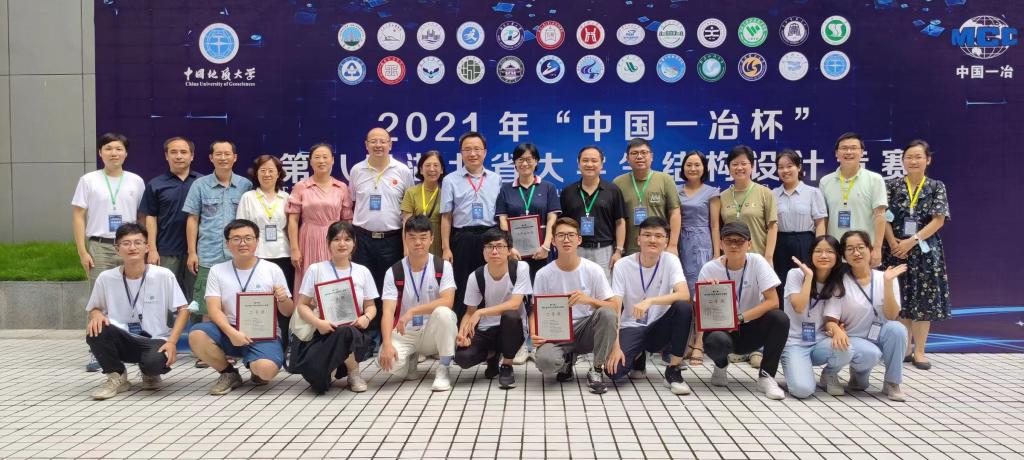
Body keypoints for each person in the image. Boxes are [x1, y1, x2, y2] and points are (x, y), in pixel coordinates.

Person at [84, 223, 190, 400]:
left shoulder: (163, 275)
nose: (132, 247)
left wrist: (172, 341)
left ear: (147, 247)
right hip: (122, 338)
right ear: (117, 249)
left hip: (154, 339)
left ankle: (149, 373)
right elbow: (94, 308)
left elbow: (183, 309)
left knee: (153, 363)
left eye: (138, 242)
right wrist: (96, 315)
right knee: (96, 330)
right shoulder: (106, 278)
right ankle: (117, 376)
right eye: (126, 243)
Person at [188, 219, 294, 395]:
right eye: (236, 239)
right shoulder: (217, 270)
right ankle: (229, 373)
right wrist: (232, 333)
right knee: (197, 335)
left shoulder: (272, 269)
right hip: (228, 329)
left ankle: (256, 365)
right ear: (228, 243)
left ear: (257, 241)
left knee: (265, 371)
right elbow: (213, 309)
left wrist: (283, 299)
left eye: (248, 238)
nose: (242, 243)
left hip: (264, 332)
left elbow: (288, 311)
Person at [72, 133, 146, 372]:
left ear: (126, 153)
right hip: (100, 245)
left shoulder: (136, 181)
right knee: (99, 297)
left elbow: (142, 217)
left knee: (133, 295)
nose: (114, 153)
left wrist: (144, 247)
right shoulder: (88, 180)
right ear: (100, 152)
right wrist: (83, 251)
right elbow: (78, 216)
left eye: (118, 148)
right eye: (108, 148)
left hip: (131, 247)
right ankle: (98, 350)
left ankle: (135, 345)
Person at [698, 222, 788, 400]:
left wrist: (739, 318)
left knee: (780, 319)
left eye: (739, 241)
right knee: (716, 340)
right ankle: (720, 366)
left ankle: (766, 377)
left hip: (751, 328)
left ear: (749, 244)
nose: (734, 245)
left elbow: (773, 302)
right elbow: (700, 312)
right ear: (721, 243)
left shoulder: (758, 262)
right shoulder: (710, 269)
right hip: (722, 329)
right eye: (729, 241)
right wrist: (708, 293)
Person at [882, 140, 951, 370]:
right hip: (894, 249)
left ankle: (920, 351)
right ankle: (904, 348)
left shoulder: (936, 186)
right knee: (900, 297)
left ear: (928, 160)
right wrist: (892, 242)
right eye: (909, 157)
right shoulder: (891, 185)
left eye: (918, 157)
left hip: (924, 250)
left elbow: (938, 220)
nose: (913, 161)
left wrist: (912, 241)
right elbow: (883, 216)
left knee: (923, 300)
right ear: (902, 160)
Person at [606, 217, 693, 395]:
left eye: (658, 236)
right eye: (647, 235)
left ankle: (673, 370)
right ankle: (638, 357)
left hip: (659, 328)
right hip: (631, 325)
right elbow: (615, 307)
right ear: (638, 239)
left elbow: (684, 294)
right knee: (613, 372)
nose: (652, 240)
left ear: (666, 241)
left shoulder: (671, 260)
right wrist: (616, 347)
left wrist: (651, 300)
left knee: (683, 308)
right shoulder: (622, 265)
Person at [532, 217, 618, 394]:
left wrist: (589, 300)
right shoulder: (543, 274)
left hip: (586, 330)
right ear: (553, 241)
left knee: (607, 314)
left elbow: (614, 307)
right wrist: (534, 334)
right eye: (561, 235)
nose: (566, 239)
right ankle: (566, 361)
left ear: (579, 239)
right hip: (557, 333)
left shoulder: (593, 270)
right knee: (545, 362)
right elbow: (535, 310)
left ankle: (596, 369)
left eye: (571, 235)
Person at [290, 221, 378, 394]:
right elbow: (302, 306)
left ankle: (353, 372)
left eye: (347, 239)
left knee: (347, 332)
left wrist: (366, 318)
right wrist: (318, 323)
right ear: (328, 242)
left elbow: (371, 306)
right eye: (336, 239)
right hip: (322, 333)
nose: (342, 244)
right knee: (319, 386)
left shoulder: (362, 271)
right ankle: (332, 369)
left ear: (354, 243)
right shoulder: (316, 269)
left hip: (354, 330)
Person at [182, 141, 253, 349]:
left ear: (235, 158)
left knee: (236, 303)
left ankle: (236, 346)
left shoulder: (245, 185)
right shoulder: (200, 185)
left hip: (238, 256)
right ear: (211, 158)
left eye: (227, 154)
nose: (223, 158)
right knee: (207, 306)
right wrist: (192, 252)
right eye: (218, 154)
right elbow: (193, 219)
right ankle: (209, 349)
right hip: (208, 254)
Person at [823, 231, 908, 401]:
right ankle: (858, 373)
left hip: (880, 336)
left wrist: (888, 284)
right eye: (850, 249)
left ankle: (892, 382)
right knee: (869, 360)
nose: (856, 253)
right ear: (844, 255)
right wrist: (836, 330)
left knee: (897, 329)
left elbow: (892, 315)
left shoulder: (886, 277)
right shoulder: (840, 282)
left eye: (861, 247)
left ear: (870, 249)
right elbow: (830, 320)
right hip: (854, 339)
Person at [350, 128, 416, 346]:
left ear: (390, 144)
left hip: (392, 239)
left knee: (391, 288)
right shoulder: (357, 170)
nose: (378, 145)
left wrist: (406, 243)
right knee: (364, 288)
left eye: (383, 141)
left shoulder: (402, 171)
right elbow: (353, 201)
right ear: (366, 144)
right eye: (373, 141)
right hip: (362, 239)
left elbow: (408, 208)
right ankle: (367, 338)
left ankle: (390, 335)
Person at [378, 216, 458, 391]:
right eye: (412, 237)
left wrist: (413, 311)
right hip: (405, 331)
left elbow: (448, 301)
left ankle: (444, 368)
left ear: (432, 239)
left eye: (423, 237)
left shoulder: (442, 266)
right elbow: (388, 312)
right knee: (386, 362)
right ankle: (410, 360)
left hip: (432, 332)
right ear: (405, 239)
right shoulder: (394, 271)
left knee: (444, 313)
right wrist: (387, 343)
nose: (418, 242)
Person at [718, 145, 777, 369]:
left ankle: (757, 349)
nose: (739, 167)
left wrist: (768, 256)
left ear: (752, 167)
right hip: (733, 260)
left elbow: (772, 226)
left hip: (758, 256)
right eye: (735, 164)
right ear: (729, 168)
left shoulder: (764, 193)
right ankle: (739, 347)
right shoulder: (724, 196)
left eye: (744, 163)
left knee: (760, 302)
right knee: (736, 300)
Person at [454, 228, 531, 390]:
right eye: (489, 247)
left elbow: (515, 304)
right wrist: (462, 334)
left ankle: (507, 365)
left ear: (509, 250)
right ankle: (492, 355)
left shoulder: (520, 268)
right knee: (462, 358)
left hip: (512, 328)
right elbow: (469, 312)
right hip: (487, 329)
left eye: (500, 246)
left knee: (511, 315)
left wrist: (481, 312)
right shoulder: (476, 276)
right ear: (483, 252)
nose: (494, 251)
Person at [779, 235, 852, 399]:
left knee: (847, 348)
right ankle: (796, 371)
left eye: (829, 252)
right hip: (794, 343)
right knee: (802, 390)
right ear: (811, 254)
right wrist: (809, 277)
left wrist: (837, 330)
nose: (824, 256)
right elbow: (799, 307)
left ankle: (829, 374)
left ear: (837, 256)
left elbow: (830, 320)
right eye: (818, 251)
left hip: (819, 342)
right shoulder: (795, 274)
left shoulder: (837, 282)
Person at [440, 132, 502, 320]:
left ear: (485, 152)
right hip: (462, 238)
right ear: (461, 153)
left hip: (489, 237)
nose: (472, 153)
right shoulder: (450, 180)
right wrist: (446, 248)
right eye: (467, 149)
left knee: (489, 282)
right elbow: (446, 216)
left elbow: (501, 215)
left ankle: (487, 326)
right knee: (463, 283)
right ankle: (461, 327)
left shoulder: (496, 179)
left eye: (477, 149)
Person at [236, 155, 294, 351]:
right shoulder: (248, 197)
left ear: (279, 174)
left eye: (271, 171)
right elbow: (241, 227)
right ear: (256, 174)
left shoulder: (286, 197)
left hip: (283, 254)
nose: (267, 174)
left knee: (283, 299)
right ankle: (257, 343)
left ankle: (283, 344)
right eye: (263, 171)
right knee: (259, 300)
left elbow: (291, 227)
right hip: (257, 255)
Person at [139, 136, 202, 304]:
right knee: (163, 298)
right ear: (166, 156)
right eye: (173, 152)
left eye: (183, 152)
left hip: (198, 251)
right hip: (166, 250)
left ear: (192, 156)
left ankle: (194, 323)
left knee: (196, 299)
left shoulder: (203, 182)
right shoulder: (155, 184)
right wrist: (152, 249)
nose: (179, 156)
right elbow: (150, 218)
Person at [287, 143, 354, 297]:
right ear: (310, 161)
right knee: (308, 281)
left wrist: (347, 246)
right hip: (308, 238)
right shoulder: (301, 186)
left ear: (332, 161)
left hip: (335, 238)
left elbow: (347, 220)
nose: (321, 161)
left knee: (334, 278)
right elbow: (293, 220)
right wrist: (295, 249)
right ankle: (307, 312)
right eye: (317, 157)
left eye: (325, 157)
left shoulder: (341, 187)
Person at [676, 150, 721, 367]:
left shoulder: (712, 192)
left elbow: (715, 225)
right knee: (682, 294)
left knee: (701, 294)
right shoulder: (675, 190)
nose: (693, 168)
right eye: (689, 164)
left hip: (702, 244)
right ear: (683, 167)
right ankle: (684, 340)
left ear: (704, 168)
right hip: (679, 244)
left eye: (697, 165)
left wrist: (716, 254)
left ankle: (699, 343)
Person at [559, 146, 627, 281]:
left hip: (604, 251)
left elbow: (620, 222)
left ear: (601, 164)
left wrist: (618, 251)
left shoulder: (613, 190)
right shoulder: (568, 192)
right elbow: (562, 225)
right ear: (578, 164)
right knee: (576, 286)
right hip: (575, 249)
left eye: (594, 161)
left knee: (603, 289)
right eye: (585, 160)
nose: (589, 164)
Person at [820, 132, 888, 267]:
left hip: (863, 251)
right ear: (836, 153)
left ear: (862, 152)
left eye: (853, 148)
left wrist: (877, 249)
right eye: (844, 148)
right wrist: (823, 248)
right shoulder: (825, 181)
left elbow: (880, 215)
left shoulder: (875, 179)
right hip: (835, 251)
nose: (849, 152)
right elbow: (823, 218)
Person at [496, 143, 561, 277]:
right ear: (515, 162)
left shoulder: (548, 187)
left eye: (529, 159)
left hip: (542, 249)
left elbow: (552, 219)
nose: (524, 163)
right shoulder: (505, 189)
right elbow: (503, 222)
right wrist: (510, 248)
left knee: (543, 285)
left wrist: (546, 246)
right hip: (515, 252)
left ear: (536, 161)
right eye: (520, 159)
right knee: (517, 285)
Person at [613, 138, 681, 256]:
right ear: (627, 158)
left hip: (659, 247)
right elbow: (616, 219)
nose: (639, 156)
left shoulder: (665, 179)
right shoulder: (618, 183)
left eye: (644, 152)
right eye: (634, 153)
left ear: (651, 156)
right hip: (629, 249)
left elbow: (675, 213)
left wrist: (673, 245)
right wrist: (618, 249)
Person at [772, 149, 827, 292]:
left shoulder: (813, 192)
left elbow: (820, 223)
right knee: (781, 282)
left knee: (805, 281)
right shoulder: (772, 194)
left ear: (799, 167)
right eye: (781, 167)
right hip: (780, 243)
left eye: (789, 166)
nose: (785, 170)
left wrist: (819, 248)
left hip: (806, 243)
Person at [400, 150, 446, 257]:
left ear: (442, 170)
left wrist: (446, 248)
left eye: (436, 165)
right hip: (416, 242)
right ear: (421, 170)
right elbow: (406, 223)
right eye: (428, 165)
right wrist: (406, 249)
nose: (432, 169)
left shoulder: (446, 193)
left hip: (437, 242)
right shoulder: (411, 192)